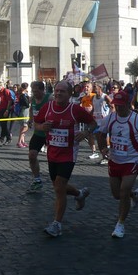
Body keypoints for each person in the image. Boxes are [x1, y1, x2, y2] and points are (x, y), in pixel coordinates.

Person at [34, 80, 97, 237]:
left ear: (70, 94)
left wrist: (86, 132)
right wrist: (42, 127)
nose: (58, 93)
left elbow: (93, 123)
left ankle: (57, 224)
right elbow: (36, 123)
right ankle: (79, 193)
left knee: (59, 187)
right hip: (52, 153)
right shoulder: (47, 107)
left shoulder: (75, 110)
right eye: (57, 91)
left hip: (68, 154)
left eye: (62, 91)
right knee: (58, 186)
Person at [97, 91, 138, 238]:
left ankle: (120, 224)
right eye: (115, 105)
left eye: (120, 105)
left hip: (131, 160)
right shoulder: (110, 118)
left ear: (127, 104)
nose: (118, 108)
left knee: (123, 192)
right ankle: (134, 194)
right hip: (114, 160)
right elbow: (100, 134)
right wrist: (102, 148)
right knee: (117, 194)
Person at [26, 81, 51, 193]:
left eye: (36, 91)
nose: (34, 93)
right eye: (33, 91)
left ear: (42, 90)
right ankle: (37, 179)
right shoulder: (33, 99)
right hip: (38, 132)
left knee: (53, 159)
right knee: (32, 155)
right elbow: (32, 108)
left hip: (50, 133)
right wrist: (31, 119)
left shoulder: (49, 98)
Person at [0, 79, 13, 146]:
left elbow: (9, 101)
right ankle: (7, 138)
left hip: (5, 109)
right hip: (0, 109)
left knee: (3, 124)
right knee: (2, 124)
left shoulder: (5, 91)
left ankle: (2, 139)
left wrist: (7, 110)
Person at [16, 82, 30, 148]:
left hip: (23, 110)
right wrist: (28, 97)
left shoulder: (21, 94)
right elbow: (27, 104)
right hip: (24, 111)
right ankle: (19, 142)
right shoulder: (23, 95)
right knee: (24, 127)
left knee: (23, 126)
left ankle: (22, 141)